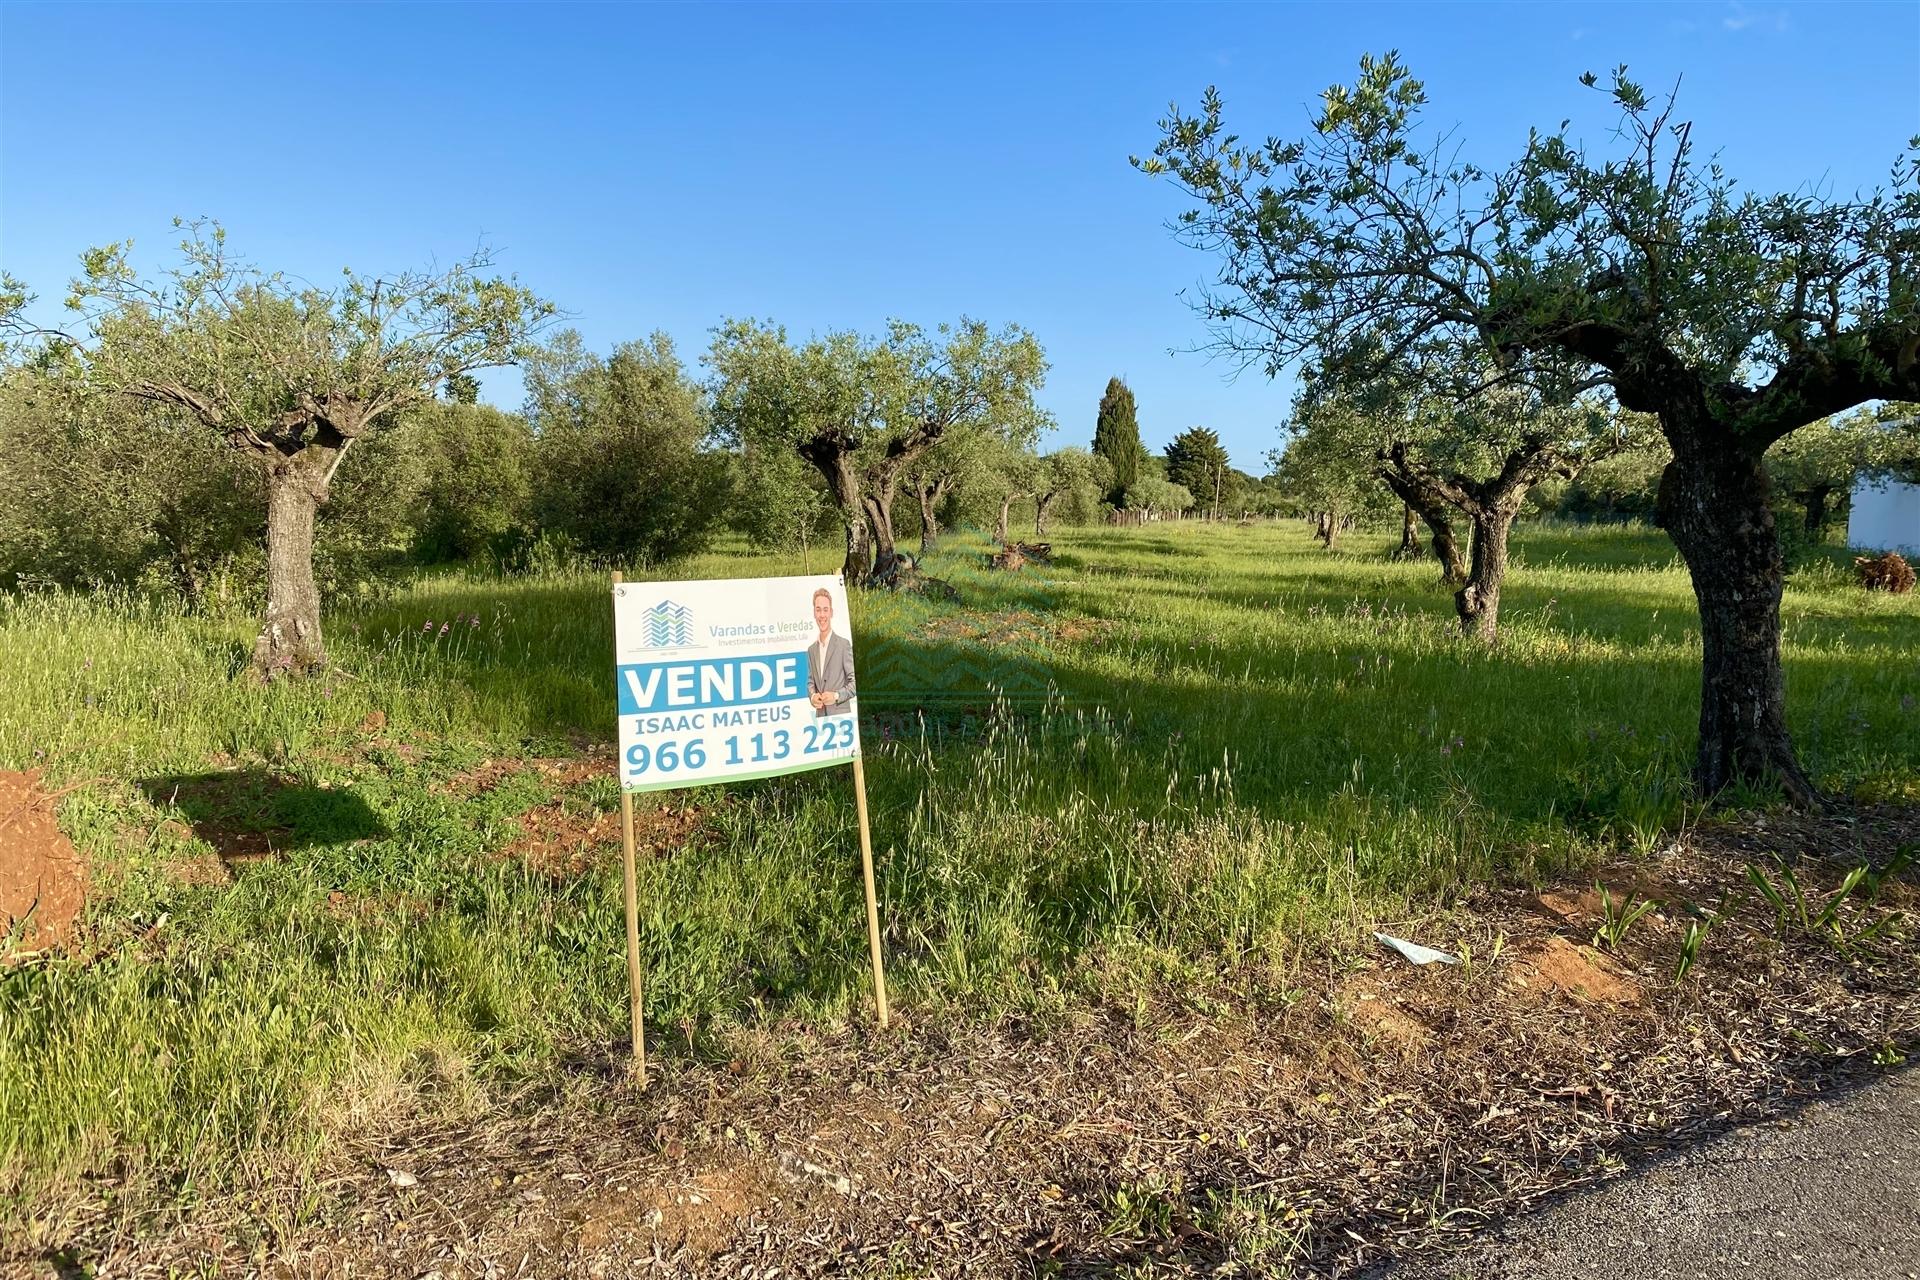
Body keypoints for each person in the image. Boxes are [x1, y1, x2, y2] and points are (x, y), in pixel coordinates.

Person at [806, 587, 855, 717]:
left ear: (831, 612)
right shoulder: (811, 650)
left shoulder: (843, 645)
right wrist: (812, 696)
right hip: (820, 718)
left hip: (841, 717)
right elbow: (811, 682)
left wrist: (836, 696)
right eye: (818, 610)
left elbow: (854, 683)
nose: (822, 615)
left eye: (825, 610)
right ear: (814, 613)